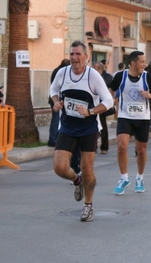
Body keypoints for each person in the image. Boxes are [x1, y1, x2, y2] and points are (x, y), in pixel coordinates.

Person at [50, 41, 114, 222]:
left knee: (87, 168)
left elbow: (108, 101)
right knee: (59, 167)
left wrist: (91, 111)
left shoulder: (93, 76)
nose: (74, 58)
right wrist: (56, 101)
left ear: (86, 57)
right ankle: (77, 181)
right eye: (71, 54)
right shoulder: (62, 73)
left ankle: (88, 205)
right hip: (68, 127)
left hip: (88, 128)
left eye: (78, 54)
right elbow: (53, 90)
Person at [110, 51, 151, 195]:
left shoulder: (148, 78)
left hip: (142, 118)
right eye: (142, 62)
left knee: (141, 150)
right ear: (133, 63)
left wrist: (150, 95)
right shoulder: (121, 76)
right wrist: (113, 100)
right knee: (121, 146)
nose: (144, 65)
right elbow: (111, 89)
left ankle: (140, 178)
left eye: (145, 62)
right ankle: (124, 178)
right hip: (125, 116)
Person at [48, 59, 71, 147]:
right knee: (56, 120)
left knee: (57, 119)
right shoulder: (61, 72)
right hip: (57, 99)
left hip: (55, 99)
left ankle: (55, 138)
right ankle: (53, 139)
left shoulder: (56, 70)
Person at [92, 61, 113, 154]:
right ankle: (94, 147)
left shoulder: (108, 77)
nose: (92, 70)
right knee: (94, 126)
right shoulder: (91, 76)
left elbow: (112, 90)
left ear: (100, 69)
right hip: (93, 104)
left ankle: (104, 147)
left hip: (103, 104)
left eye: (95, 69)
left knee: (103, 126)